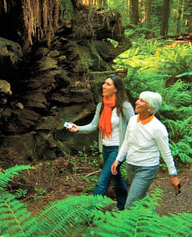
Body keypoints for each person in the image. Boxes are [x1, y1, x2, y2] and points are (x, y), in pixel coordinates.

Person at [66, 75, 134, 210]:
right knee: (116, 178)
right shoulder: (101, 105)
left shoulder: (124, 106)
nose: (104, 86)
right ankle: (123, 207)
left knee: (102, 181)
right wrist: (78, 128)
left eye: (108, 84)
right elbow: (93, 125)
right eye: (104, 83)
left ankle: (90, 213)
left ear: (116, 89)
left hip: (118, 149)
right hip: (105, 148)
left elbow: (134, 126)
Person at [111, 90, 180, 209]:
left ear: (150, 107)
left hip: (147, 168)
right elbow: (127, 141)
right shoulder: (133, 120)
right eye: (138, 99)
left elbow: (166, 152)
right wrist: (118, 159)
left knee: (130, 204)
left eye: (142, 101)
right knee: (141, 196)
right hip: (131, 166)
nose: (137, 102)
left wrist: (173, 174)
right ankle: (152, 219)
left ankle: (127, 226)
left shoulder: (158, 128)